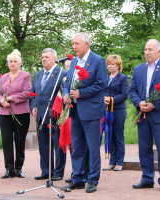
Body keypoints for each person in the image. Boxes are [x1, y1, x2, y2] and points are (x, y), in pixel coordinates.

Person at [129, 39, 160, 192]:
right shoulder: (138, 69)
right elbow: (132, 90)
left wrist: (154, 105)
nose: (147, 52)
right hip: (143, 115)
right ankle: (147, 178)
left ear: (159, 52)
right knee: (144, 148)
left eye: (150, 49)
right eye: (145, 49)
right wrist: (139, 103)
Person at [62, 32, 107, 193]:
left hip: (92, 111)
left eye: (77, 44)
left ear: (86, 44)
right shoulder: (74, 61)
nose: (74, 47)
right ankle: (78, 178)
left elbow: (102, 83)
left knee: (93, 147)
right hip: (75, 112)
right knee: (77, 147)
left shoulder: (98, 60)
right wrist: (66, 93)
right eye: (73, 44)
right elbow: (67, 81)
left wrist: (82, 93)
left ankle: (93, 179)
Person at [29, 48, 67, 181]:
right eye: (42, 57)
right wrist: (33, 106)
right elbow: (33, 94)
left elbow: (64, 95)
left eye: (47, 57)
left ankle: (58, 171)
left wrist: (63, 113)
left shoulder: (62, 73)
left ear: (54, 58)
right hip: (41, 116)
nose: (43, 59)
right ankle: (46, 170)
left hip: (56, 115)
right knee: (44, 145)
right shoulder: (38, 74)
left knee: (58, 145)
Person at [0, 49, 31, 179]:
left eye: (15, 61)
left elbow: (27, 93)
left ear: (20, 63)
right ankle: (9, 169)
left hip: (21, 113)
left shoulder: (25, 76)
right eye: (10, 61)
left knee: (20, 140)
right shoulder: (3, 77)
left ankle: (19, 168)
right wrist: (1, 101)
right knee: (6, 141)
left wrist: (9, 99)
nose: (13, 64)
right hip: (4, 113)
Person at [102, 55, 129, 171]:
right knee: (109, 134)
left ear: (118, 65)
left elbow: (125, 94)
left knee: (118, 135)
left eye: (112, 64)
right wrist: (103, 99)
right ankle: (111, 161)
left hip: (118, 110)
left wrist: (111, 100)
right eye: (108, 64)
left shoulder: (123, 78)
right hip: (106, 110)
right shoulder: (105, 77)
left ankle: (119, 161)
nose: (110, 66)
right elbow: (101, 91)